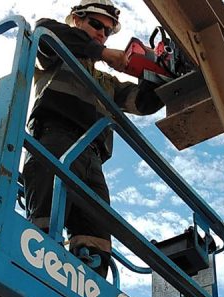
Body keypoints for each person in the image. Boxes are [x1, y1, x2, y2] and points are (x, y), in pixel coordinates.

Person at [22, 0, 164, 279]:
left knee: (97, 242)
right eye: (96, 25)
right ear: (76, 19)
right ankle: (32, 280)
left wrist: (154, 71)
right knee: (43, 229)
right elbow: (44, 31)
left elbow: (143, 103)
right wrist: (104, 52)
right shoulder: (56, 54)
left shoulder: (105, 82)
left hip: (93, 160)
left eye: (108, 32)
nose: (102, 33)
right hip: (54, 141)